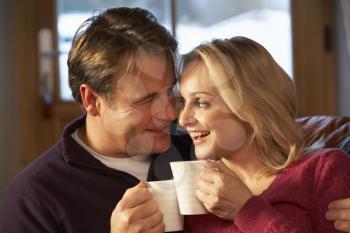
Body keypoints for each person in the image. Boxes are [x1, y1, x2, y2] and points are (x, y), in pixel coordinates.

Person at [0, 7, 192, 233]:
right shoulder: (34, 198)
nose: (170, 114)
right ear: (91, 99)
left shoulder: (197, 152)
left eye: (170, 92)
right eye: (146, 100)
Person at [176, 36, 350, 232]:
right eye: (183, 102)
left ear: (251, 105)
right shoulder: (194, 187)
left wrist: (246, 210)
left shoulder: (323, 170)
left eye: (201, 103)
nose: (183, 120)